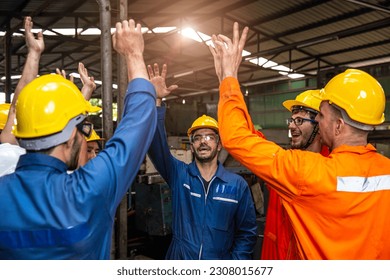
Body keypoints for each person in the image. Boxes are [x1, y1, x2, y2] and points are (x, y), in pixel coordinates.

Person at [209, 22, 390, 259]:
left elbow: (236, 138)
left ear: (338, 125)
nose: (319, 121)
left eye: (321, 116)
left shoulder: (307, 172)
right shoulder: (386, 171)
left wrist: (229, 78)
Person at [0, 19, 157, 259]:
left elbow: (16, 110)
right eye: (82, 129)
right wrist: (134, 54)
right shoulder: (89, 190)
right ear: (70, 136)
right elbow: (139, 121)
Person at [147, 63, 257, 260]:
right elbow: (156, 145)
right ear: (191, 146)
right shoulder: (179, 174)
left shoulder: (237, 185)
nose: (203, 141)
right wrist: (156, 100)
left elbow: (246, 233)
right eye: (197, 138)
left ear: (219, 145)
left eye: (209, 137)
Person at [261, 90, 329, 260]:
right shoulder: (283, 164)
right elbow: (251, 141)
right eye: (291, 120)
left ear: (320, 125)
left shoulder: (332, 170)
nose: (291, 126)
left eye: (299, 120)